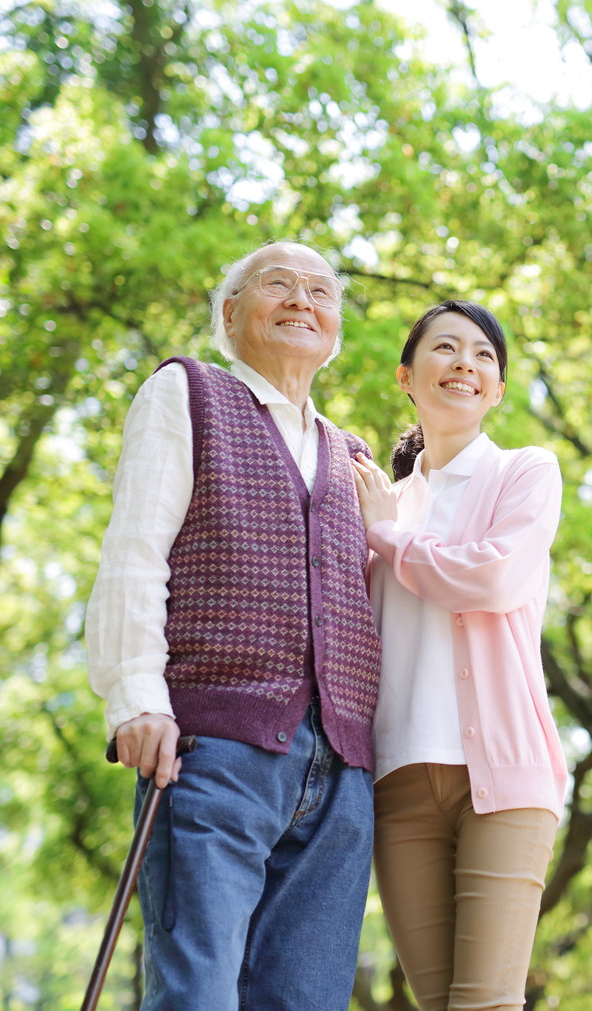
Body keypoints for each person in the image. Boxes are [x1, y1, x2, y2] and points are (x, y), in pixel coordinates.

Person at [84, 241, 381, 1010]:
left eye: (320, 290)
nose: (301, 300)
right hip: (213, 749)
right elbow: (136, 548)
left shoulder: (352, 455)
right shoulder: (188, 393)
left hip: (343, 775)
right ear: (230, 312)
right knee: (198, 995)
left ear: (337, 330)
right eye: (276, 284)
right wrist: (135, 695)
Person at [349, 300, 568, 1010]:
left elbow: (492, 577)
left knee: (482, 1005)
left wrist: (387, 538)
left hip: (503, 781)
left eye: (484, 356)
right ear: (407, 376)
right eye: (446, 349)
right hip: (399, 785)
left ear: (497, 390)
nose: (465, 365)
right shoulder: (380, 501)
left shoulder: (523, 474)